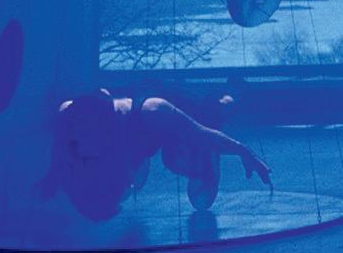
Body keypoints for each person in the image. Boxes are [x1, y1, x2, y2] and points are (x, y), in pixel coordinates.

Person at [39, 90, 271, 222]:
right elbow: (61, 148)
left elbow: (201, 134)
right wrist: (53, 175)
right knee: (133, 181)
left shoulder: (153, 112)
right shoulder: (69, 115)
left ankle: (231, 97)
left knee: (178, 158)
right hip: (134, 136)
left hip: (182, 110)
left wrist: (243, 151)